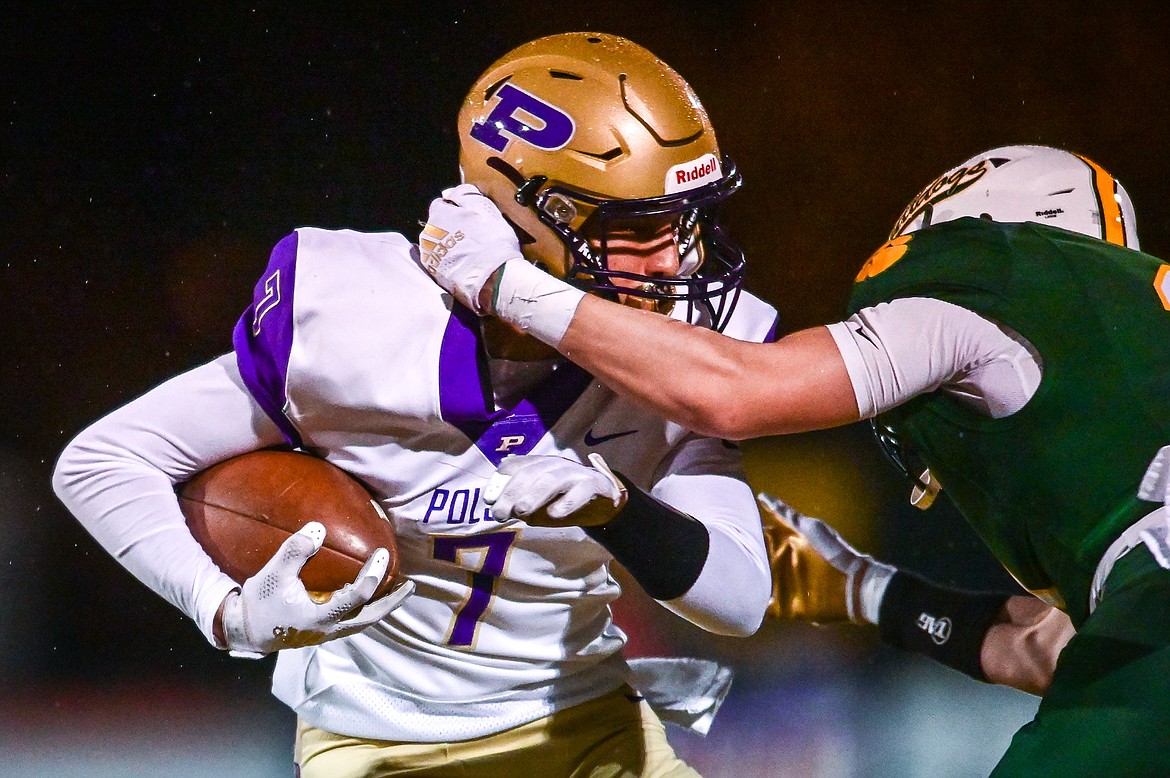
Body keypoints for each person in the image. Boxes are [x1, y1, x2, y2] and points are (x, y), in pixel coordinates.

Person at [52, 32, 778, 778]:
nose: (674, 262)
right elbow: (105, 459)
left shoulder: (694, 350)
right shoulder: (355, 319)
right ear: (524, 220)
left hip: (590, 727)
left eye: (684, 223)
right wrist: (224, 611)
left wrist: (620, 511)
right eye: (635, 230)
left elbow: (739, 599)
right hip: (375, 744)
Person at [421, 143, 1170, 774]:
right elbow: (1066, 654)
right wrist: (857, 588)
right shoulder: (1126, 367)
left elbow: (735, 390)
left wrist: (508, 286)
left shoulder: (997, 275)